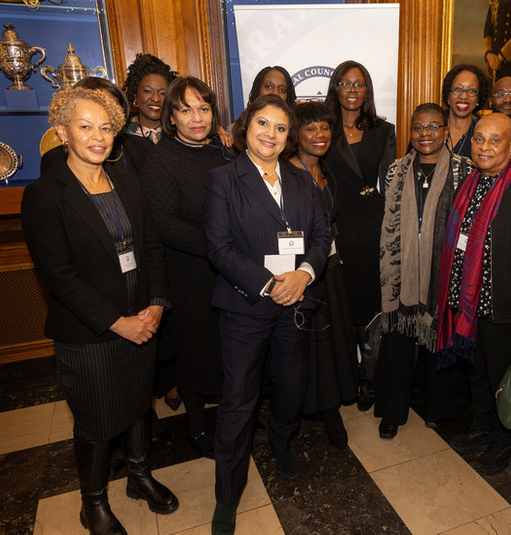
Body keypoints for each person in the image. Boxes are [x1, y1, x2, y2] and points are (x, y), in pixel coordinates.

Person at [21, 88, 178, 534]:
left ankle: (139, 476)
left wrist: (155, 304)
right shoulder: (44, 195)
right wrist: (118, 322)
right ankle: (92, 504)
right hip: (90, 336)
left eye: (106, 127)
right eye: (85, 126)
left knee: (135, 407)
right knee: (95, 421)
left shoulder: (126, 181)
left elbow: (149, 246)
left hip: (142, 321)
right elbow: (59, 275)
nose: (98, 137)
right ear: (62, 132)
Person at [204, 94, 329, 534]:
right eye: (262, 124)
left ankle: (281, 441)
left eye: (279, 128)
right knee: (238, 402)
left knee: (292, 385)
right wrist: (269, 283)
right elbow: (218, 247)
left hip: (295, 304)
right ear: (246, 127)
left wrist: (305, 275)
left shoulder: (300, 180)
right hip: (246, 306)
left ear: (288, 136)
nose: (270, 134)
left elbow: (320, 233)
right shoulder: (224, 179)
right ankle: (226, 495)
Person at [437, 112, 511, 475]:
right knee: (478, 372)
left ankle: (506, 438)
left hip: (505, 305)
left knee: (505, 377)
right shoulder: (469, 183)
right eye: (478, 139)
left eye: (494, 139)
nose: (484, 146)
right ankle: (482, 425)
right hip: (468, 304)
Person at [139, 76, 236, 460]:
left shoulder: (224, 153)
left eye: (204, 108)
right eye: (185, 110)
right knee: (195, 349)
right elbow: (163, 224)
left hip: (229, 269)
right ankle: (197, 426)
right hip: (188, 272)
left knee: (230, 345)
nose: (196, 118)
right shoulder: (160, 159)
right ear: (172, 117)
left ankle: (234, 414)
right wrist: (221, 248)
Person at [375, 103, 476, 439]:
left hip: (444, 271)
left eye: (434, 127)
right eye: (418, 128)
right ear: (411, 133)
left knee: (439, 341)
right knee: (398, 345)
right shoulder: (395, 170)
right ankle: (392, 413)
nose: (425, 134)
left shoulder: (465, 169)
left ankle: (439, 409)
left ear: (446, 131)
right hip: (400, 273)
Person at [323, 60, 396, 411]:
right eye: (345, 83)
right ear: (335, 88)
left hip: (370, 228)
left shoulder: (383, 130)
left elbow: (391, 184)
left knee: (368, 310)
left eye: (359, 84)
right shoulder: (322, 129)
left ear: (367, 91)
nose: (352, 90)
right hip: (334, 227)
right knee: (341, 307)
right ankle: (346, 375)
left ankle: (369, 377)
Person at [288, 101, 359, 448]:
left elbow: (332, 220)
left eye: (325, 127)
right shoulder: (287, 173)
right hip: (300, 273)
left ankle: (329, 406)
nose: (319, 135)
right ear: (295, 133)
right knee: (305, 346)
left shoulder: (326, 170)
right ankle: (305, 410)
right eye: (311, 128)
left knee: (330, 343)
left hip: (328, 267)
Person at [41, 76, 151, 181]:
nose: (104, 111)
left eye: (111, 105)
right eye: (85, 127)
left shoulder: (142, 147)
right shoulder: (54, 159)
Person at [122, 53, 178, 144]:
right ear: (135, 96)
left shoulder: (179, 131)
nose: (155, 99)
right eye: (148, 91)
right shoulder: (120, 134)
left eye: (162, 93)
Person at [441, 64, 490, 159]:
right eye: (458, 89)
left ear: (478, 98)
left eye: (471, 91)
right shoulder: (430, 128)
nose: (464, 96)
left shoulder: (485, 135)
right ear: (448, 95)